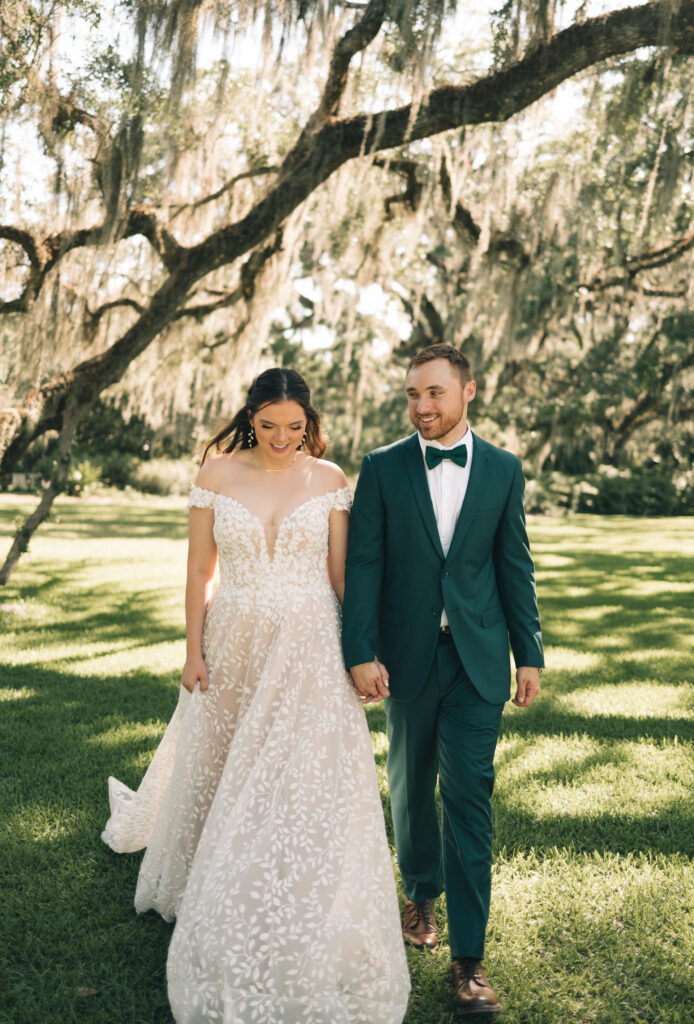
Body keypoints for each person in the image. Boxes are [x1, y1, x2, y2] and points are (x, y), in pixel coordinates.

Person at [102, 367, 410, 1024]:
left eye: (295, 428)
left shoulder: (328, 481)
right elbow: (198, 570)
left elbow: (339, 576)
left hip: (308, 639)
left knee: (298, 763)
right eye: (270, 426)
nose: (282, 439)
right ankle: (202, 874)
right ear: (251, 418)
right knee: (218, 756)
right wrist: (192, 650)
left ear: (310, 424)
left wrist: (362, 650)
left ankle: (294, 877)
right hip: (233, 634)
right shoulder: (216, 474)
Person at [342, 343, 544, 1016]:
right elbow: (364, 565)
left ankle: (469, 960)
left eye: (433, 393)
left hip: (478, 659)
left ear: (469, 392)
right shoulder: (382, 467)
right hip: (405, 655)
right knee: (408, 781)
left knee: (469, 798)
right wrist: (359, 650)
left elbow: (513, 565)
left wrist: (530, 653)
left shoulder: (503, 470)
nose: (421, 406)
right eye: (412, 396)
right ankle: (419, 892)